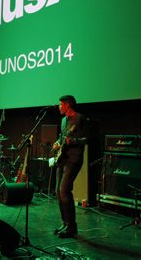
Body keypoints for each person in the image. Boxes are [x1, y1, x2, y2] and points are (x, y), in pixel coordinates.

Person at [52, 95, 87, 238]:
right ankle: (65, 223)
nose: (59, 107)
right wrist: (57, 143)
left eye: (61, 104)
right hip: (62, 159)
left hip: (74, 159)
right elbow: (62, 137)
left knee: (64, 190)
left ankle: (72, 226)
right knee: (58, 192)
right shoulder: (63, 120)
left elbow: (87, 139)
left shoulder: (80, 119)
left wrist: (72, 141)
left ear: (67, 105)